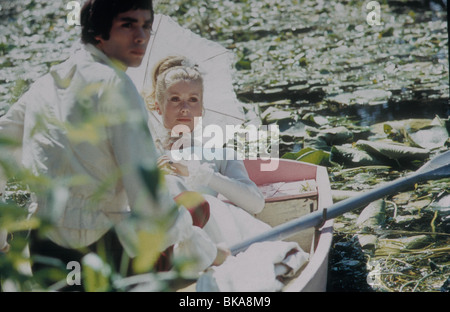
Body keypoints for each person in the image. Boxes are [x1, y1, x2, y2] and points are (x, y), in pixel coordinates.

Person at [0, 0, 223, 290]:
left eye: (146, 25)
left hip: (47, 253)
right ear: (98, 33)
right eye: (128, 25)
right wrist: (205, 250)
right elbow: (148, 199)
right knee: (195, 206)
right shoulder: (116, 86)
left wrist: (3, 239)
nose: (141, 36)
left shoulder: (47, 83)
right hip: (102, 253)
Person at [143, 55, 272, 248]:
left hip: (219, 236)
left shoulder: (219, 153)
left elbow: (256, 204)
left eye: (193, 100)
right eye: (175, 99)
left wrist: (202, 174)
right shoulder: (147, 154)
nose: (184, 108)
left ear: (202, 108)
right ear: (158, 106)